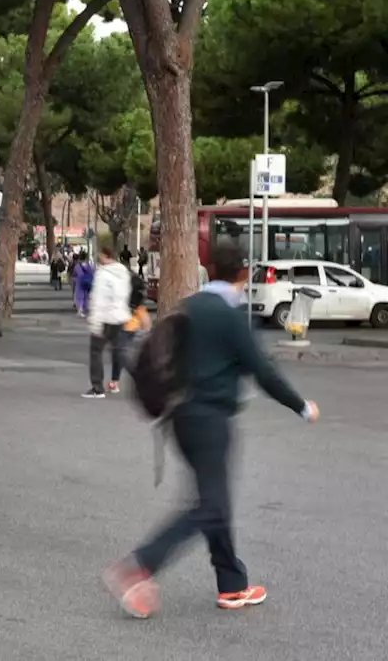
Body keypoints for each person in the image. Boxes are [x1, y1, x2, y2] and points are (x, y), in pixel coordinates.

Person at [104, 241, 320, 619]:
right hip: (210, 421)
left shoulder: (189, 306)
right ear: (242, 273)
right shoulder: (230, 316)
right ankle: (141, 564)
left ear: (211, 268)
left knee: (212, 502)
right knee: (210, 505)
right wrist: (301, 406)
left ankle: (233, 584)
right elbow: (263, 370)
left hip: (178, 418)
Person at [82, 245, 131, 398]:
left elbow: (98, 299)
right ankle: (128, 379)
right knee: (119, 351)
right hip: (120, 317)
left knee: (96, 352)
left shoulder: (102, 275)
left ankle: (97, 387)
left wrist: (94, 322)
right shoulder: (123, 272)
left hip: (105, 318)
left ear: (104, 256)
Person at [72, 250, 93, 316]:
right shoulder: (89, 265)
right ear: (86, 257)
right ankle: (85, 309)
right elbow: (92, 273)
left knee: (79, 296)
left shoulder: (77, 266)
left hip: (79, 282)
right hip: (87, 283)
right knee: (86, 296)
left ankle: (80, 309)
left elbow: (74, 274)